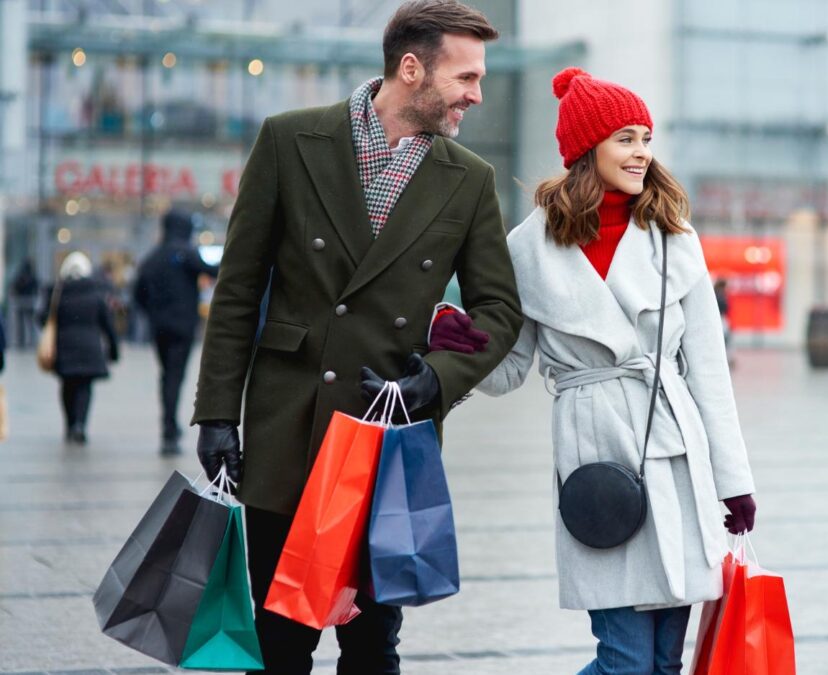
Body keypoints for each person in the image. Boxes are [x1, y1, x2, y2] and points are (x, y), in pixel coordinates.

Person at [190, 1, 522, 673]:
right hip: (288, 428)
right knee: (281, 637)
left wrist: (436, 380)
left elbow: (498, 310)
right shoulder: (289, 140)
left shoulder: (471, 180)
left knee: (373, 645)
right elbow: (238, 289)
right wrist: (218, 413)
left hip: (385, 441)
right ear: (410, 68)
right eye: (465, 78)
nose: (475, 95)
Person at [472, 68, 757, 675]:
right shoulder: (528, 247)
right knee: (625, 662)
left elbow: (707, 369)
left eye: (646, 139)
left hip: (677, 458)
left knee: (661, 667)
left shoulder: (673, 236)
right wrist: (462, 341)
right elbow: (509, 370)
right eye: (626, 138)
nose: (641, 153)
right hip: (598, 463)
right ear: (586, 148)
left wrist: (733, 480)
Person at [134, 209, 219, 455]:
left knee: (166, 374)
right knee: (175, 375)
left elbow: (138, 294)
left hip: (160, 327)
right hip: (182, 326)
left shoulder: (153, 257)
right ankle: (169, 428)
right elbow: (214, 271)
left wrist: (153, 313)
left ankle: (169, 424)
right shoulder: (186, 253)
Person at [42, 252, 120, 444]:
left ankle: (70, 424)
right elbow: (108, 325)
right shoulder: (96, 294)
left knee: (67, 386)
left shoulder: (58, 294)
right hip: (89, 348)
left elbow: (43, 318)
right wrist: (114, 349)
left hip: (65, 347)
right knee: (85, 387)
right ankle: (80, 424)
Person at [13, 259, 40, 349]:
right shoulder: (30, 276)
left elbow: (15, 288)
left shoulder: (21, 276)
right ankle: (29, 342)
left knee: (23, 325)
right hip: (28, 301)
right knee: (29, 323)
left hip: (22, 301)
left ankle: (22, 342)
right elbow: (36, 287)